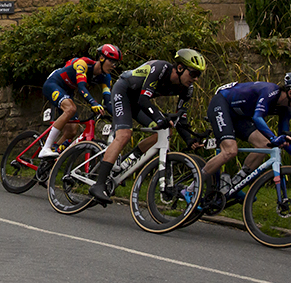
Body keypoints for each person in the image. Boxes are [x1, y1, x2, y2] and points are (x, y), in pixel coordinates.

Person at [88, 48, 206, 205]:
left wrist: (189, 140)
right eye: (193, 73)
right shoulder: (160, 69)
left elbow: (181, 119)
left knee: (164, 131)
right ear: (179, 68)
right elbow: (145, 99)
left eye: (199, 75)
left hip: (137, 102)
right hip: (123, 92)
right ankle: (99, 185)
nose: (196, 79)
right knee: (124, 134)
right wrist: (159, 118)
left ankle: (125, 162)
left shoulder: (187, 89)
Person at [200, 72, 291, 191]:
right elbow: (257, 117)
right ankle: (193, 187)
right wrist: (273, 138)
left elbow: (283, 136)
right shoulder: (269, 91)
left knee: (265, 146)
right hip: (222, 103)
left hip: (239, 116)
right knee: (230, 151)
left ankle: (234, 184)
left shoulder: (286, 111)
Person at [37, 44, 121, 159]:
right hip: (54, 84)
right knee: (70, 109)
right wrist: (94, 103)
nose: (113, 66)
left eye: (115, 63)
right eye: (111, 61)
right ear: (101, 58)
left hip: (68, 91)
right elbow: (82, 87)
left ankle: (54, 149)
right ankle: (45, 148)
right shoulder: (83, 64)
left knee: (72, 131)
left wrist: (118, 117)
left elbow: (107, 101)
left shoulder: (106, 77)